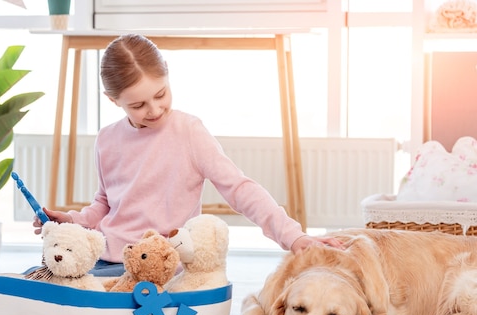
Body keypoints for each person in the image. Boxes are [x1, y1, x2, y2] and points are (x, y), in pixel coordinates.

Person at [33, 34, 342, 277]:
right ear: (113, 100)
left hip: (163, 265)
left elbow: (239, 189)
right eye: (138, 105)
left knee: (77, 302)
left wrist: (294, 237)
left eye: (160, 94)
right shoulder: (107, 139)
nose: (153, 110)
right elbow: (105, 202)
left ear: (167, 76)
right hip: (105, 259)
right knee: (26, 283)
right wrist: (72, 221)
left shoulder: (189, 132)